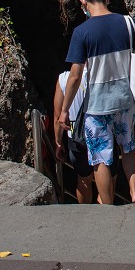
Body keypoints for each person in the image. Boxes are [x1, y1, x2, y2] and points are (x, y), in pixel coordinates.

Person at [58, 0, 135, 204]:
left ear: (83, 2)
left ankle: (107, 205)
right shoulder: (129, 23)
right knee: (128, 146)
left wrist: (65, 110)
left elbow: (76, 76)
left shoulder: (82, 32)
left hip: (97, 106)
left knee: (101, 156)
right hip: (125, 99)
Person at [52, 70, 94, 204]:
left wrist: (58, 142)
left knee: (83, 179)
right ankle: (106, 209)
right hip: (101, 132)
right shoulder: (100, 73)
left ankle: (86, 215)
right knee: (107, 176)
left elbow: (57, 115)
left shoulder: (63, 78)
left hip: (75, 136)